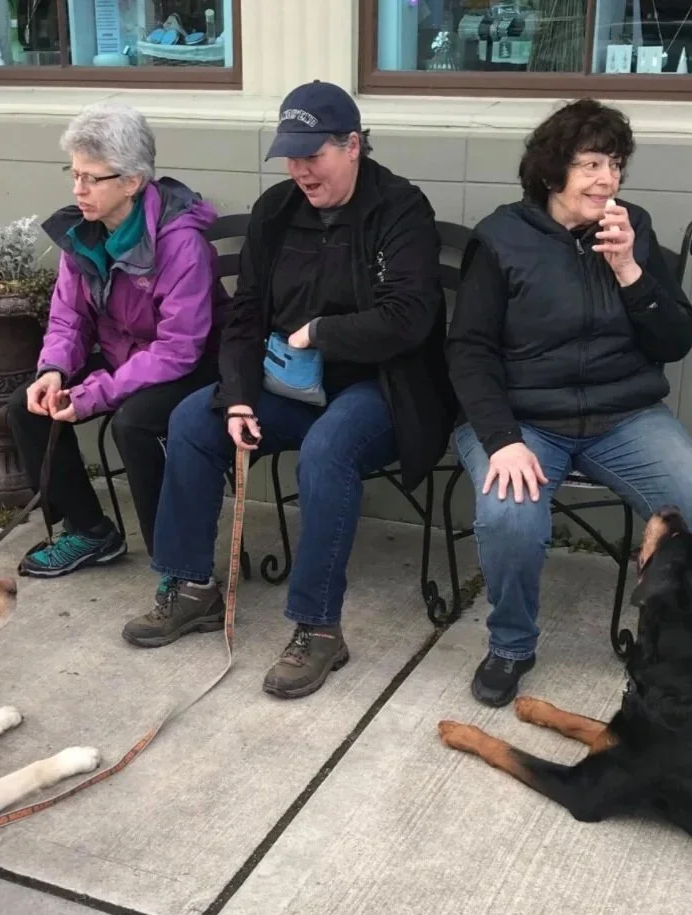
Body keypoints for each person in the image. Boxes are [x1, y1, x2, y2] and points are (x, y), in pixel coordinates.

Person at [120, 80, 455, 700]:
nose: (301, 170)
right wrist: (241, 394)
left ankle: (318, 628)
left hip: (377, 389)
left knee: (330, 449)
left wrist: (320, 331)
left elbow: (410, 317)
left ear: (352, 145)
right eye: (292, 157)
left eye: (314, 156)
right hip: (287, 386)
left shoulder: (401, 210)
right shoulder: (277, 210)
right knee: (197, 419)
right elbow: (245, 314)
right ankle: (191, 587)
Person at [447, 99, 692, 707]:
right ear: (553, 174)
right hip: (522, 420)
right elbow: (468, 351)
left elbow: (675, 340)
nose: (609, 180)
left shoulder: (634, 230)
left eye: (617, 164)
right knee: (509, 513)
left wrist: (629, 268)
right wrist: (502, 439)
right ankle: (512, 645)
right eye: (592, 164)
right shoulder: (500, 239)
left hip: (622, 416)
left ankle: (677, 641)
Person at [6, 100, 226, 578]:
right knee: (26, 406)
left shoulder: (180, 242)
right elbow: (68, 318)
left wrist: (92, 394)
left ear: (132, 181)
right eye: (74, 173)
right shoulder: (81, 233)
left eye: (91, 177)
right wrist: (54, 371)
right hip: (124, 356)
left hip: (193, 366)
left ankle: (176, 565)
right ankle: (90, 531)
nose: (77, 188)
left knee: (136, 424)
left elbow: (179, 349)